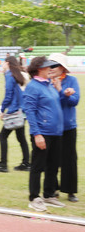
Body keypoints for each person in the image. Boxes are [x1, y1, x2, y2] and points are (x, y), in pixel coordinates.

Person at [22, 56, 64, 212]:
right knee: (38, 166)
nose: (51, 70)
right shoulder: (33, 87)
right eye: (48, 67)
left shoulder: (49, 85)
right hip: (43, 132)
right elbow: (30, 112)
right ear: (40, 69)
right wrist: (37, 134)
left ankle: (49, 194)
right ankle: (34, 198)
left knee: (53, 165)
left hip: (55, 132)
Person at [0, 56, 30, 173]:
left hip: (15, 111)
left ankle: (3, 164)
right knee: (21, 138)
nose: (2, 65)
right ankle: (26, 163)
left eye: (3, 63)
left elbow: (8, 95)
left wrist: (2, 110)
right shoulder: (16, 75)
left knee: (3, 136)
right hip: (22, 111)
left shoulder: (9, 76)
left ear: (7, 63)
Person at [49, 53, 79, 203]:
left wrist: (62, 91)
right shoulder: (46, 82)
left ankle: (70, 191)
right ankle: (53, 189)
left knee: (70, 159)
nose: (50, 68)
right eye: (49, 65)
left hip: (68, 126)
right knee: (53, 159)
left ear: (62, 68)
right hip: (53, 127)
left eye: (54, 65)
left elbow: (75, 101)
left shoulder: (72, 80)